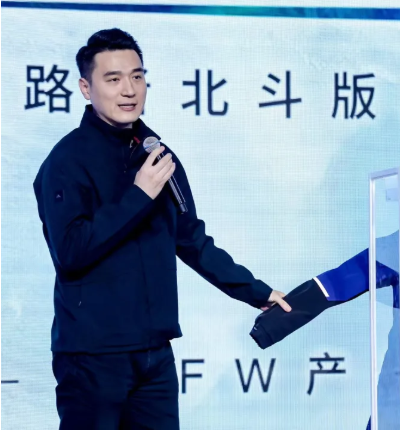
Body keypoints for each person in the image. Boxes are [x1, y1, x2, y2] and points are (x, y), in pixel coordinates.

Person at [33, 28, 291, 430]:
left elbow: (192, 241)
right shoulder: (66, 161)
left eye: (137, 76)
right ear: (86, 88)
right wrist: (137, 196)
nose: (129, 90)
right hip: (93, 355)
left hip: (155, 354)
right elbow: (70, 252)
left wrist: (257, 292)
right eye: (113, 79)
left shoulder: (157, 155)